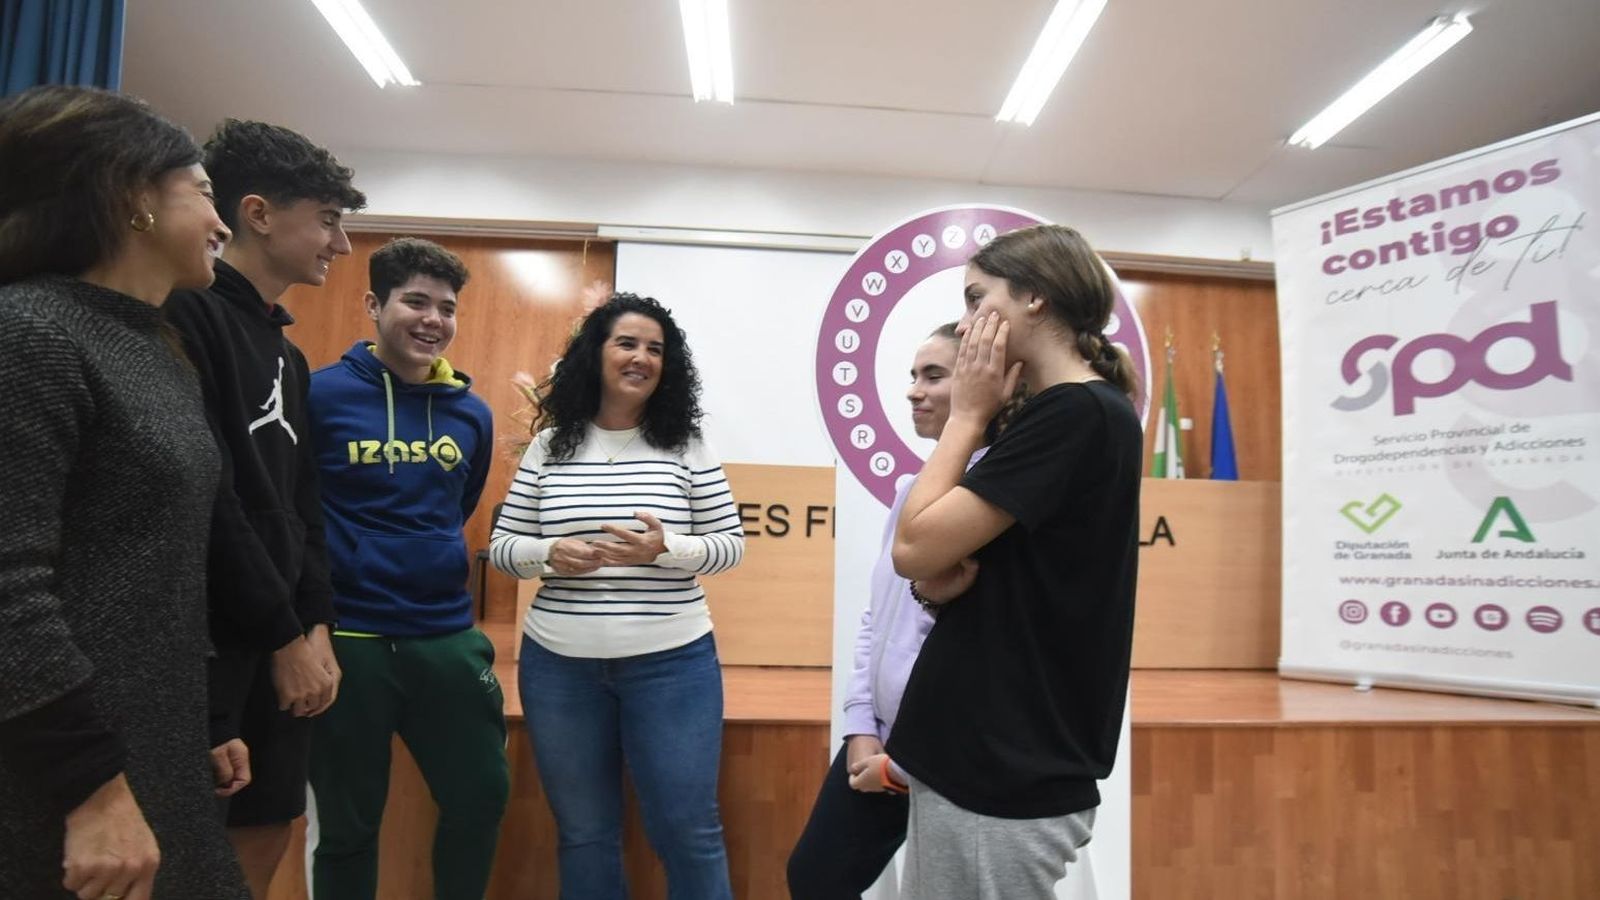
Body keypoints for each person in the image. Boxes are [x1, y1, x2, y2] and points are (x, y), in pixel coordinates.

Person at [0, 85, 248, 900]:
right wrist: (91, 790)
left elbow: (155, 565)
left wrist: (203, 721)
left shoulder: (154, 346)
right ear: (133, 194)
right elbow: (9, 591)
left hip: (149, 743)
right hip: (57, 774)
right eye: (205, 192)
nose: (222, 224)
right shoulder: (30, 333)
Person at [885, 224, 1142, 899]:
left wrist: (968, 415)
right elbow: (968, 571)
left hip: (1003, 766)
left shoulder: (1078, 413)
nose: (967, 323)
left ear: (1034, 298)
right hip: (985, 755)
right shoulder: (1066, 413)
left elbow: (912, 548)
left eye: (977, 300)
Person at [163, 119, 367, 896]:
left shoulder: (288, 354)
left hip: (286, 639)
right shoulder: (188, 317)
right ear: (256, 213)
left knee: (274, 820)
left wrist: (315, 624)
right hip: (215, 642)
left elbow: (303, 505)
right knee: (194, 848)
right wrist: (280, 633)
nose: (340, 245)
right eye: (327, 220)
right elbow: (211, 497)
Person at [489, 293, 745, 900]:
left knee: (689, 831)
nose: (641, 358)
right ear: (594, 354)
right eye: (626, 343)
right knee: (584, 833)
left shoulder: (687, 445)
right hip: (559, 668)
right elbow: (501, 546)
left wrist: (666, 549)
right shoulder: (548, 448)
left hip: (673, 664)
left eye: (655, 349)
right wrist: (548, 554)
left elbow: (731, 545)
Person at [306, 237, 509, 899]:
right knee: (347, 825)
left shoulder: (470, 415)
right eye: (415, 301)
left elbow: (460, 505)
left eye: (446, 308)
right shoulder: (319, 397)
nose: (433, 320)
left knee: (481, 797)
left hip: (444, 636)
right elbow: (294, 508)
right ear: (373, 304)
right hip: (352, 640)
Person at [788, 323, 994, 898]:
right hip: (879, 743)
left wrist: (904, 766)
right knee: (813, 878)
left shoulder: (996, 496)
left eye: (934, 375)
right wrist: (860, 729)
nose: (912, 391)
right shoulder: (911, 491)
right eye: (912, 376)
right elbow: (877, 620)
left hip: (939, 758)